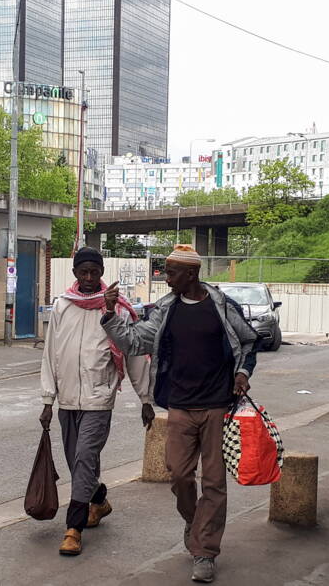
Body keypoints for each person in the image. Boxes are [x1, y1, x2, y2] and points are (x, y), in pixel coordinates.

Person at [102, 244, 257, 583]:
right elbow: (132, 342)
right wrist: (110, 314)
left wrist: (243, 373)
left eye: (171, 272)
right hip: (180, 407)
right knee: (179, 474)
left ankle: (205, 552)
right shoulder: (165, 310)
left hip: (217, 406)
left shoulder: (220, 306)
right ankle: (194, 521)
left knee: (215, 482)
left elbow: (248, 341)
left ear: (191, 274)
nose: (166, 278)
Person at [40, 247, 155, 556]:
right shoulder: (63, 306)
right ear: (75, 273)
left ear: (102, 272)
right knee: (78, 462)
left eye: (94, 272)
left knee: (84, 458)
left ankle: (73, 528)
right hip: (66, 400)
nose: (89, 278)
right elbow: (51, 354)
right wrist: (48, 400)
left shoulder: (115, 308)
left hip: (99, 399)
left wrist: (145, 398)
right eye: (83, 272)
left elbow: (133, 353)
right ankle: (99, 500)